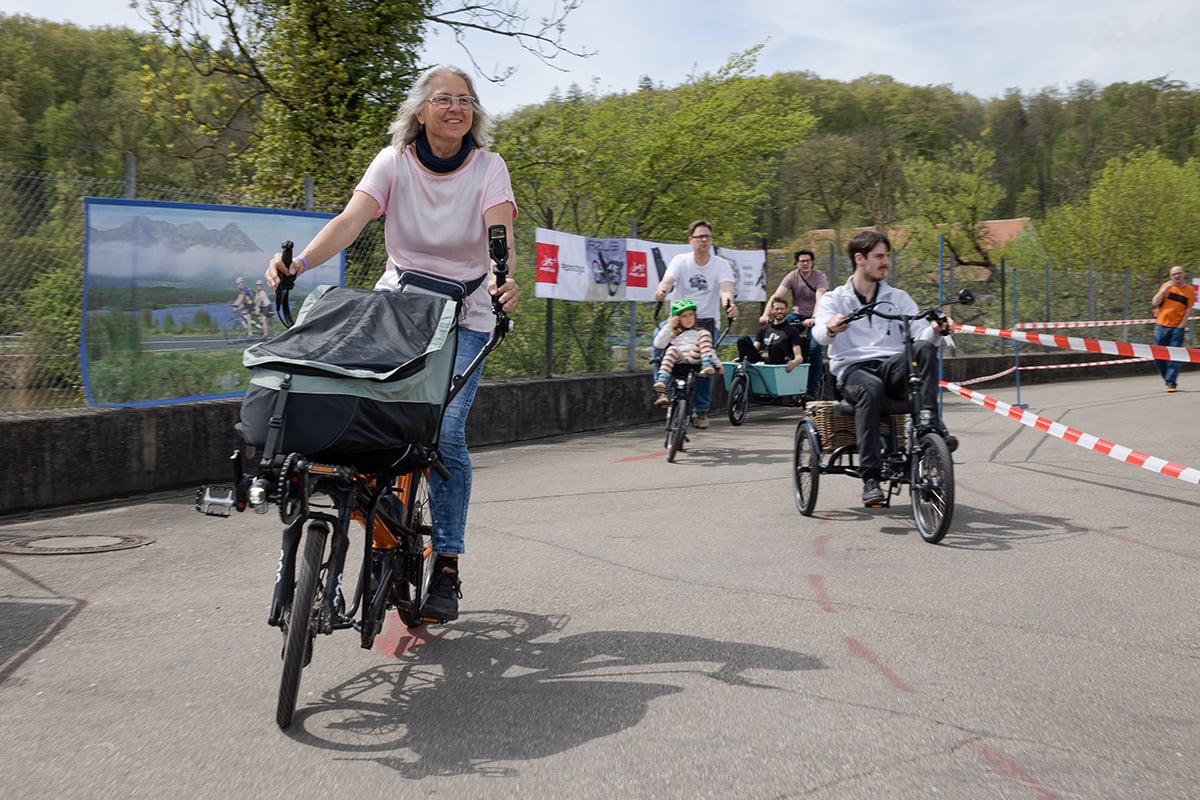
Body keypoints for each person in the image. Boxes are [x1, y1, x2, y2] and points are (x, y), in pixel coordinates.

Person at [264, 64, 520, 622]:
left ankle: (447, 563)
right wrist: (298, 263)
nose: (456, 107)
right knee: (353, 417)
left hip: (467, 314)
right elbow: (351, 220)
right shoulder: (394, 161)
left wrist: (503, 280)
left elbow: (499, 235)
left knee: (443, 435)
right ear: (421, 110)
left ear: (473, 114)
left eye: (466, 100)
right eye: (444, 99)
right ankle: (340, 548)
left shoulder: (488, 168)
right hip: (399, 311)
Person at [812, 231, 956, 508]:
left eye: (887, 256)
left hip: (891, 367)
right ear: (860, 259)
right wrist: (832, 327)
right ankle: (871, 478)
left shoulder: (898, 298)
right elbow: (819, 333)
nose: (886, 262)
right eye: (879, 256)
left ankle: (929, 427)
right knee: (871, 387)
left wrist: (936, 331)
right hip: (853, 370)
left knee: (925, 349)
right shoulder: (835, 298)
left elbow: (920, 336)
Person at [654, 220, 738, 429]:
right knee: (657, 345)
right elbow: (668, 281)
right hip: (679, 318)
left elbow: (726, 288)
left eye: (707, 237)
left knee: (705, 360)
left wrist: (729, 304)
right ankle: (662, 388)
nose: (704, 241)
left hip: (706, 321)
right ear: (690, 240)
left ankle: (701, 410)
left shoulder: (720, 264)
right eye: (700, 237)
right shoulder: (680, 261)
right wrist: (662, 291)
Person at [762, 248, 827, 398]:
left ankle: (811, 390)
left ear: (812, 263)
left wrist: (814, 317)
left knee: (814, 349)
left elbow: (820, 297)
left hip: (817, 316)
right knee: (778, 336)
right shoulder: (792, 276)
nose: (805, 263)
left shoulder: (819, 276)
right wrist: (766, 313)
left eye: (808, 261)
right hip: (797, 315)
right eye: (802, 261)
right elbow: (777, 296)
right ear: (796, 263)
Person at [652, 298, 718, 407]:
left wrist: (717, 364)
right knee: (671, 349)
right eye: (684, 316)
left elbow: (708, 348)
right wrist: (669, 326)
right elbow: (658, 344)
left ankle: (706, 364)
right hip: (679, 359)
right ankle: (662, 381)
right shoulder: (672, 333)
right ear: (678, 319)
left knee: (705, 334)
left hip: (695, 358)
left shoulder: (699, 332)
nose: (688, 319)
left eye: (691, 315)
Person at [1150, 265, 1195, 392]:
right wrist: (1164, 290)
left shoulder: (1189, 290)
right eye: (1174, 274)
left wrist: (1183, 323)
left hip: (1177, 327)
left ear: (1183, 274)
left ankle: (1171, 383)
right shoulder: (1166, 287)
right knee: (1158, 356)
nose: (1176, 276)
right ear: (1170, 277)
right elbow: (1155, 302)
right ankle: (1168, 378)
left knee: (1174, 356)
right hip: (1161, 326)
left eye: (1178, 273)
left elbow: (1188, 309)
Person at [737, 297, 805, 371]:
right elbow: (755, 348)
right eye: (776, 309)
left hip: (777, 363)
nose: (779, 311)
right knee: (743, 340)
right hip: (760, 360)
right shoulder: (764, 329)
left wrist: (794, 362)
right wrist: (743, 355)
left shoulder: (792, 330)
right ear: (772, 310)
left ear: (786, 310)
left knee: (776, 346)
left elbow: (799, 356)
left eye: (782, 309)